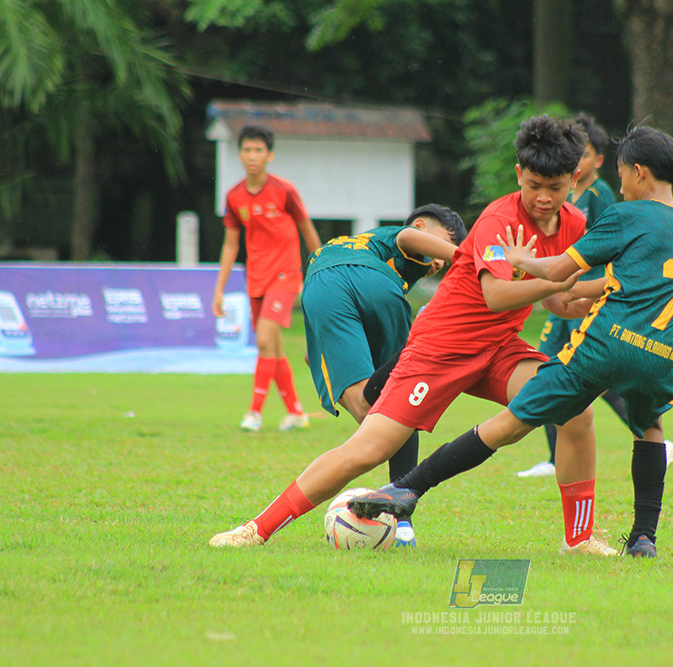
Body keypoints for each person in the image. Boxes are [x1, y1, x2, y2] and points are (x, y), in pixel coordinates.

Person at [209, 115, 619, 556]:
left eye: (555, 188)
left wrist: (606, 293)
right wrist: (561, 284)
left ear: (573, 179)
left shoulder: (574, 224)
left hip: (498, 349)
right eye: (534, 184)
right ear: (519, 173)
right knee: (369, 448)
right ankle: (257, 528)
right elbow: (498, 295)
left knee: (574, 411)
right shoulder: (498, 221)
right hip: (439, 348)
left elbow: (558, 302)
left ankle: (578, 540)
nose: (542, 197)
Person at [349, 126, 673, 559]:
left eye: (623, 173)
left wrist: (520, 261)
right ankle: (644, 537)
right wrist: (574, 293)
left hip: (604, 346)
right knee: (650, 430)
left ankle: (407, 489)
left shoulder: (625, 216)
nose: (620, 184)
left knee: (511, 424)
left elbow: (556, 272)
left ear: (640, 172)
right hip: (660, 354)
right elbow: (619, 285)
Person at [518, 113, 673, 477]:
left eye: (587, 154)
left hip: (587, 290)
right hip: (569, 285)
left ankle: (643, 436)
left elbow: (615, 246)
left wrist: (533, 268)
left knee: (563, 370)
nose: (580, 161)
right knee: (582, 374)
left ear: (601, 161)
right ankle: (558, 456)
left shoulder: (603, 196)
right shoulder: (564, 192)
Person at [301, 204, 467, 545]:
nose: (438, 264)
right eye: (442, 248)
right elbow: (407, 235)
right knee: (401, 400)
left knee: (376, 406)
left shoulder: (357, 249)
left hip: (322, 282)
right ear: (422, 225)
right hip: (367, 285)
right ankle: (402, 518)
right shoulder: (396, 237)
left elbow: (309, 353)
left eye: (444, 262)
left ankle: (424, 335)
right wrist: (466, 255)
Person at [212, 124, 322, 433]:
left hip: (286, 275)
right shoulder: (234, 197)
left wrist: (321, 266)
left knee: (262, 341)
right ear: (239, 155)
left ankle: (254, 413)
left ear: (269, 155)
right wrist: (219, 290)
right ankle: (296, 413)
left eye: (259, 150)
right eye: (247, 149)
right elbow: (231, 244)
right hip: (256, 279)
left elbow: (306, 228)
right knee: (272, 349)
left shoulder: (284, 190)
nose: (252, 156)